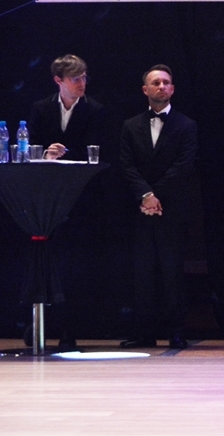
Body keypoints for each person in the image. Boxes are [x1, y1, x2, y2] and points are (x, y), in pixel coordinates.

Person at [21, 55, 111, 349]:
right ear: (58, 81)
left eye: (84, 77)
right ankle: (38, 324)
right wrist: (47, 153)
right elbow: (30, 148)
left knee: (76, 266)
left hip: (82, 198)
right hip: (47, 200)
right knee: (46, 261)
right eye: (75, 79)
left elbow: (97, 150)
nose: (82, 83)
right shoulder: (41, 108)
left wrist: (66, 151)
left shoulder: (95, 109)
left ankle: (69, 329)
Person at [118, 65, 197, 349]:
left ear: (172, 89)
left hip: (170, 208)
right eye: (156, 82)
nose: (161, 86)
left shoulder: (186, 125)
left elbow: (183, 166)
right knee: (142, 273)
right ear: (145, 90)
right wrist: (145, 195)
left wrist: (155, 196)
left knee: (172, 271)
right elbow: (126, 165)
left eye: (166, 82)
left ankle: (176, 332)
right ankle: (144, 333)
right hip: (141, 208)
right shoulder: (130, 125)